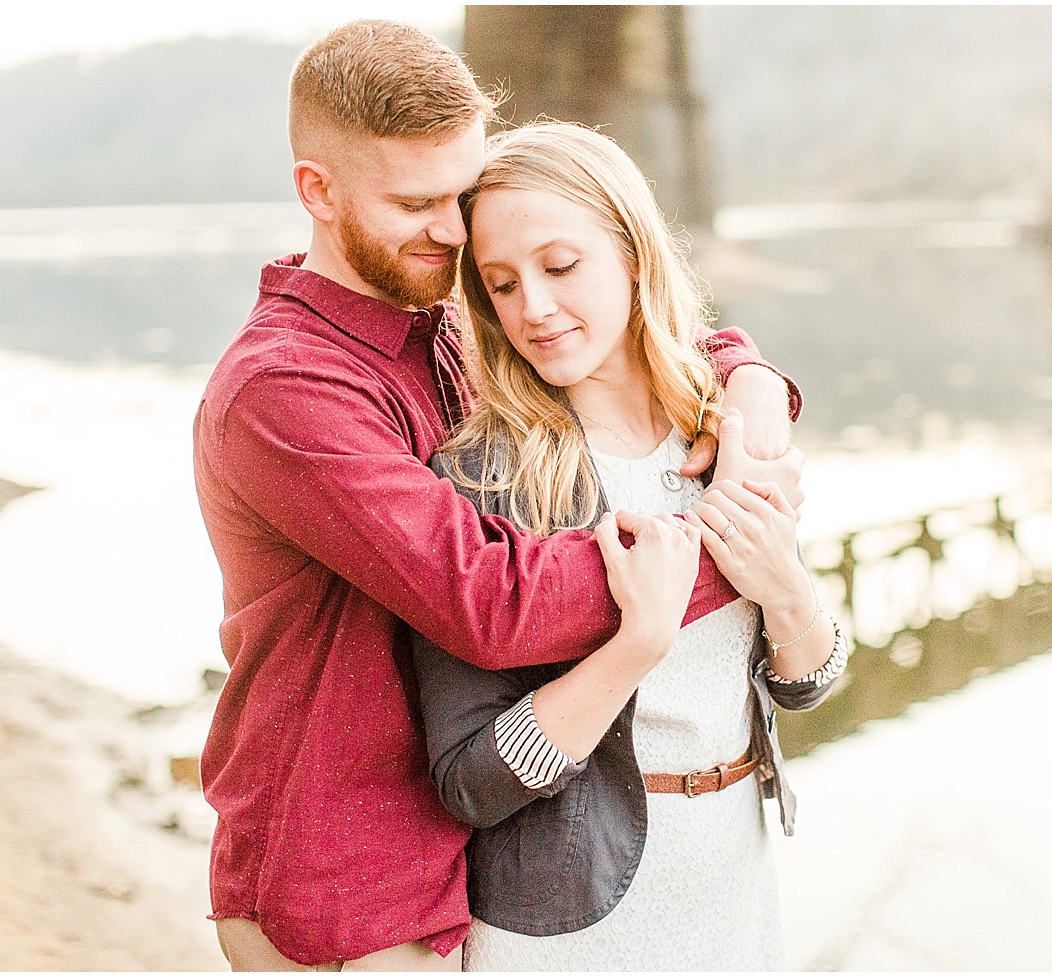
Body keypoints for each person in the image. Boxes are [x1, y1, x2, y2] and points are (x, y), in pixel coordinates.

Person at [191, 20, 805, 972]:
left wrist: (748, 375)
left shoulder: (438, 321)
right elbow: (492, 600)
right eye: (417, 200)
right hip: (346, 893)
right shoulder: (285, 389)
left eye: (461, 193)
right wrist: (741, 534)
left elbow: (622, 327)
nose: (452, 227)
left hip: (458, 876)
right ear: (317, 190)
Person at [410, 122, 847, 971]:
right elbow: (467, 777)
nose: (533, 307)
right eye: (501, 284)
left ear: (634, 254)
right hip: (570, 915)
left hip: (734, 877)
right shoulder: (483, 477)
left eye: (560, 265)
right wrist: (634, 646)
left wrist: (787, 591)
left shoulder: (723, 433)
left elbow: (808, 684)